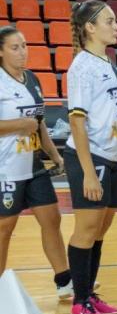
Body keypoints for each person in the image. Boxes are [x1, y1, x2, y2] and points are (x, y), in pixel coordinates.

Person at [65, 0, 117, 314]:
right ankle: (79, 299)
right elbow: (77, 122)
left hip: (113, 157)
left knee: (100, 230)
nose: (116, 26)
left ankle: (89, 295)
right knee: (85, 229)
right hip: (91, 157)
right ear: (90, 28)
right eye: (109, 21)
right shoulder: (81, 67)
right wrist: (88, 173)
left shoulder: (109, 64)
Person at [0, 26, 71, 298]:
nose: (22, 52)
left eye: (24, 46)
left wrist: (55, 155)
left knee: (52, 219)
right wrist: (20, 123)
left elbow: (39, 125)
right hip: (6, 168)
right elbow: (26, 123)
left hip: (34, 165)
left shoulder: (32, 79)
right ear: (1, 52)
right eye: (14, 48)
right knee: (5, 229)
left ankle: (64, 280)